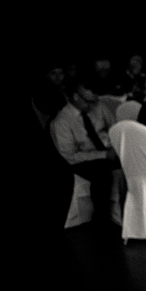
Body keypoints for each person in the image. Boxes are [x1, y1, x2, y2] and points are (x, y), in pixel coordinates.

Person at [49, 76, 120, 230]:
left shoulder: (98, 106)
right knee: (102, 174)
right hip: (80, 161)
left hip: (107, 150)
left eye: (94, 100)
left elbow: (115, 128)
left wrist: (115, 145)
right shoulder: (62, 121)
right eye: (89, 101)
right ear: (76, 97)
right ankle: (102, 219)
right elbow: (69, 156)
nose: (94, 104)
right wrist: (104, 155)